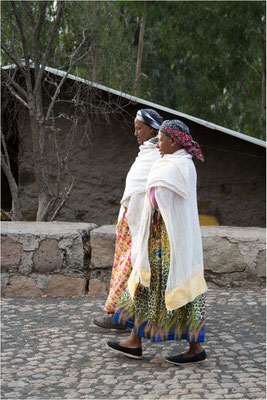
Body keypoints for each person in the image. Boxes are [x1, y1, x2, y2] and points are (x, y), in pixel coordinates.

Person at [107, 119, 208, 365]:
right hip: (159, 238)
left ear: (173, 141)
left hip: (168, 240)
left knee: (167, 287)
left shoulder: (178, 166)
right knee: (150, 285)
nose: (158, 144)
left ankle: (193, 347)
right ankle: (136, 340)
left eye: (161, 139)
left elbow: (166, 204)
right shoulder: (175, 163)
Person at [93, 108, 163, 330]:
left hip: (142, 225)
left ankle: (122, 316)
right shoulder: (146, 154)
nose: (136, 133)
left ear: (152, 129)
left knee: (134, 268)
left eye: (139, 128)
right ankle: (124, 314)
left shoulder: (156, 157)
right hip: (130, 222)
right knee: (127, 267)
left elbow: (150, 194)